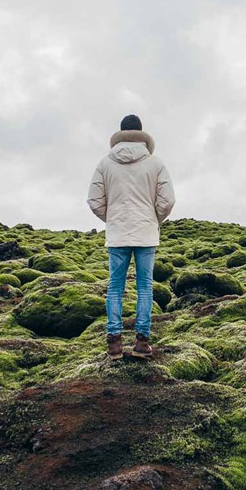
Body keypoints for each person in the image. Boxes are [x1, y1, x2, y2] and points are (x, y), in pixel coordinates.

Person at [87, 114, 175, 360]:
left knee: (115, 287)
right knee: (145, 287)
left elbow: (94, 201)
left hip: (117, 234)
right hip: (146, 234)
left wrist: (112, 219)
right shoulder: (155, 163)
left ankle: (114, 345)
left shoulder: (105, 164)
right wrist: (153, 218)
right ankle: (142, 343)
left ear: (120, 133)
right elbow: (167, 201)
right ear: (142, 134)